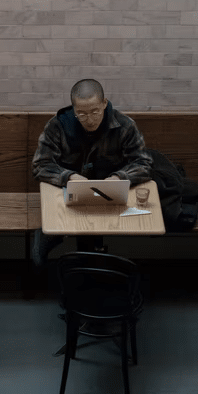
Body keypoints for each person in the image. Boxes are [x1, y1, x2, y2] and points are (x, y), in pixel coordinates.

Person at [31, 79, 153, 265]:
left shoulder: (124, 126)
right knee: (43, 247)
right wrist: (69, 176)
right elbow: (40, 165)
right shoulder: (58, 126)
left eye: (95, 112)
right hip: (67, 196)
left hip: (112, 196)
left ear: (104, 103)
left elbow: (143, 163)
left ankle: (92, 269)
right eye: (81, 113)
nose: (89, 119)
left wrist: (118, 177)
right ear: (73, 110)